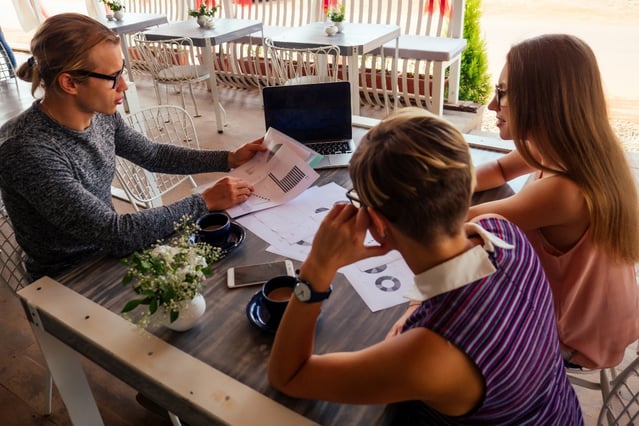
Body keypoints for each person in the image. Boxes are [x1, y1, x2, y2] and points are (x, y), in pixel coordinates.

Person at [268, 107, 583, 424]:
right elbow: (452, 286)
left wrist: (317, 269)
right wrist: (412, 315)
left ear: (377, 223)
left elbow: (289, 376)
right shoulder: (500, 231)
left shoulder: (429, 356)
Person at [0, 13, 265, 280]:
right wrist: (205, 200)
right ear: (69, 83)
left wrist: (229, 158)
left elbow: (153, 154)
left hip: (108, 253)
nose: (124, 85)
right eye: (113, 76)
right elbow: (117, 233)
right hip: (69, 278)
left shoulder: (100, 114)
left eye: (122, 71)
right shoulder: (27, 150)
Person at [467, 34, 639, 370]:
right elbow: (501, 169)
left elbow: (465, 222)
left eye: (502, 93)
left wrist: (410, 193)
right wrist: (449, 182)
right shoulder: (575, 146)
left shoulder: (563, 191)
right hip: (608, 314)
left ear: (540, 102)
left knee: (458, 325)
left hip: (575, 336)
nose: (491, 105)